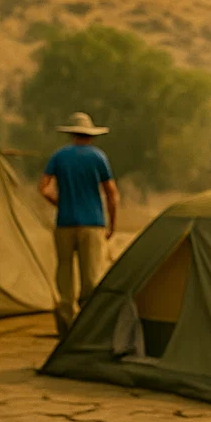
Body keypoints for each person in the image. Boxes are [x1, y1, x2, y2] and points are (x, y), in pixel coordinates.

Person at [39, 111, 119, 337]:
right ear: (91, 135)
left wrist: (61, 203)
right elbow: (112, 194)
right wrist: (112, 224)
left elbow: (44, 188)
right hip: (92, 224)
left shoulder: (59, 156)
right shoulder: (98, 157)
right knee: (91, 277)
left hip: (65, 223)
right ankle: (87, 328)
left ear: (72, 134)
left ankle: (66, 325)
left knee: (65, 273)